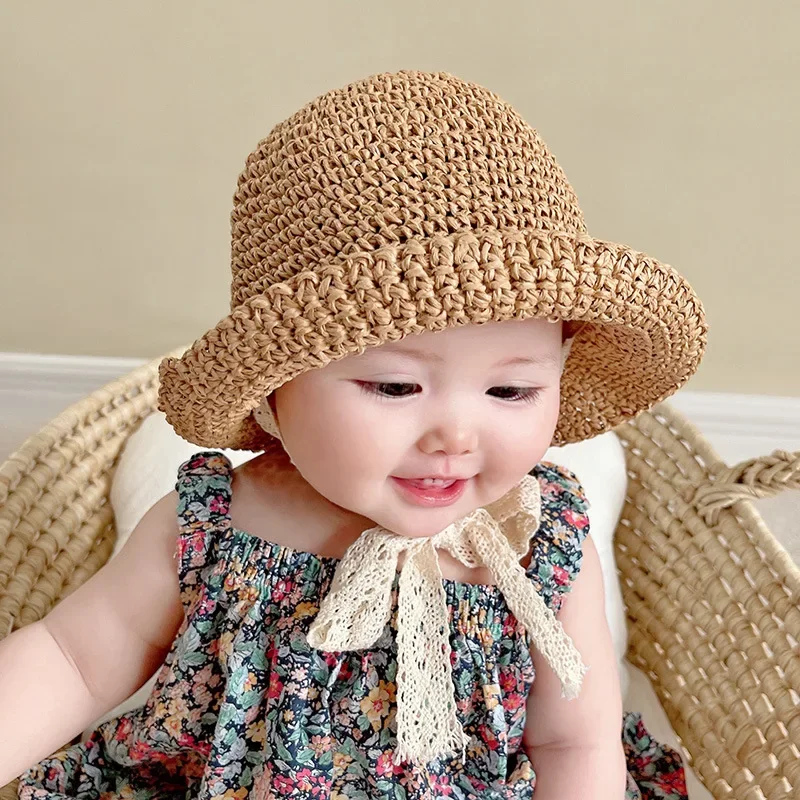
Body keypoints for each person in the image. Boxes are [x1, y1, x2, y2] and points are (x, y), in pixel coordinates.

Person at [1, 70, 706, 799]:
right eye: (395, 387)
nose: (455, 435)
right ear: (275, 390)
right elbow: (73, 659)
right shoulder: (215, 522)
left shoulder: (540, 543)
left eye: (511, 390)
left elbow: (573, 741)